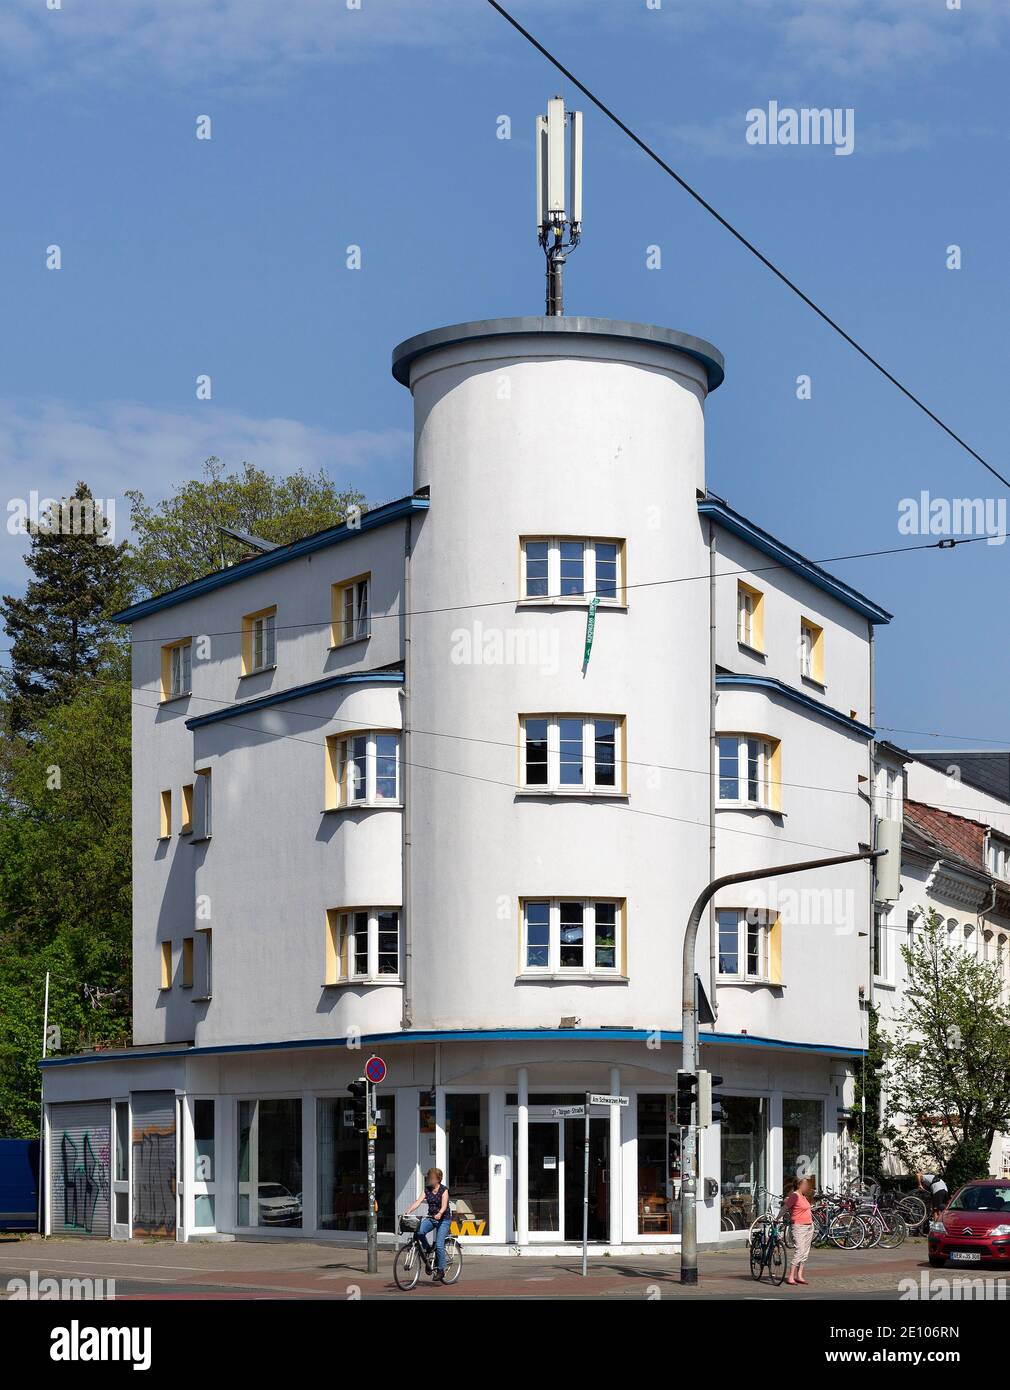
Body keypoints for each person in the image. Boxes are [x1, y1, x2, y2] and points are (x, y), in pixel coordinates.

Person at [405, 1167, 451, 1282]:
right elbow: (418, 1202)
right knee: (419, 1232)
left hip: (444, 1219)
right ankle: (428, 1249)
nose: (429, 1180)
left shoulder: (444, 1190)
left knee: (439, 1245)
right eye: (428, 1177)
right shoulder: (427, 1190)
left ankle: (441, 1270)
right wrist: (408, 1211)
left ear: (438, 1179)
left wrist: (440, 1213)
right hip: (431, 1218)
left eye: (431, 1178)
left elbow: (444, 1206)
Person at [782, 1175, 815, 1287]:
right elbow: (785, 1208)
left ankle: (799, 1275)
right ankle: (791, 1276)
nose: (807, 1186)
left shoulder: (804, 1196)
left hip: (809, 1226)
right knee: (800, 1250)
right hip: (799, 1227)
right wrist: (777, 1219)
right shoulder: (795, 1196)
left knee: (805, 1252)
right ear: (799, 1185)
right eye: (805, 1184)